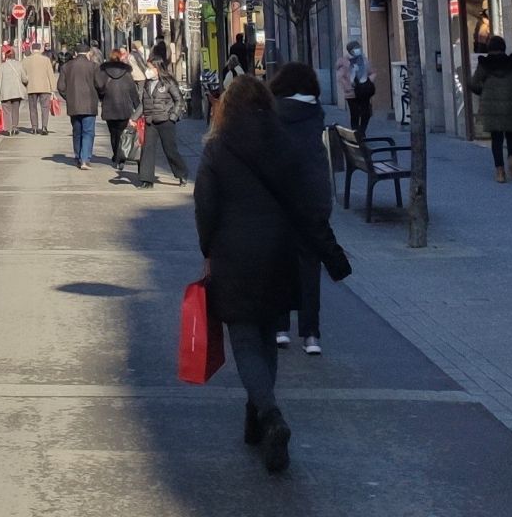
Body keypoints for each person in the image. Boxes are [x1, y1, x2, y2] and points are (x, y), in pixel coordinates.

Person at [194, 77, 352, 473]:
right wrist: (332, 256)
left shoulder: (217, 147)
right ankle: (257, 417)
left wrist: (207, 249)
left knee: (246, 341)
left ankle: (269, 415)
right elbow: (307, 205)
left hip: (234, 254)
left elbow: (205, 206)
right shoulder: (285, 145)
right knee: (266, 333)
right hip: (280, 254)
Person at [267, 63, 330, 354]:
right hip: (312, 198)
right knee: (310, 266)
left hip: (280, 198)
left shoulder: (271, 112)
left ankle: (280, 328)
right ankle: (311, 334)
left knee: (279, 265)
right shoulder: (316, 113)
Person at [468, 35, 512, 183]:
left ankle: (500, 172)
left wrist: (485, 91)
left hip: (492, 106)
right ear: (503, 47)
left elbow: (474, 84)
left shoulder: (485, 64)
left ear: (489, 48)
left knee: (496, 139)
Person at [138, 56, 189, 189]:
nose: (147, 70)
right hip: (151, 121)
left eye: (149, 68)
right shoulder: (147, 83)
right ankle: (146, 180)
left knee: (170, 150)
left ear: (157, 68)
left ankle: (181, 173)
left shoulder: (168, 82)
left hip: (165, 121)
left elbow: (179, 100)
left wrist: (173, 116)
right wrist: (134, 117)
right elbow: (143, 103)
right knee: (147, 149)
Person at [57, 43, 103, 169]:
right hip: (89, 104)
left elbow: (61, 87)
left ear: (75, 54)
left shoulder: (66, 67)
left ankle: (78, 157)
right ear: (89, 53)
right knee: (88, 132)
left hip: (74, 105)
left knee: (77, 132)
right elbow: (100, 84)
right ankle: (85, 159)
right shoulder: (93, 66)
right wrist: (100, 96)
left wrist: (69, 97)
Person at [99, 49, 141, 170]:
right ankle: (121, 157)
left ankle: (116, 156)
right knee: (123, 133)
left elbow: (100, 89)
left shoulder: (104, 72)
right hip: (124, 108)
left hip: (109, 107)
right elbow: (133, 92)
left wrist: (102, 97)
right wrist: (138, 107)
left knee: (113, 134)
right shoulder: (127, 73)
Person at [335, 40, 377, 135]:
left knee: (366, 113)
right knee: (355, 113)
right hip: (351, 92)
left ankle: (362, 132)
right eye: (355, 48)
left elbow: (372, 72)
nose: (358, 50)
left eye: (358, 48)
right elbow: (340, 77)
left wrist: (368, 82)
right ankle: (356, 133)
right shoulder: (344, 62)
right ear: (350, 50)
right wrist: (347, 86)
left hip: (364, 91)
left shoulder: (364, 60)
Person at [23, 43, 56, 135]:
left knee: (32, 108)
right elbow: (50, 74)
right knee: (45, 108)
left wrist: (24, 85)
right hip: (44, 87)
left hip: (31, 87)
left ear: (31, 49)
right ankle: (44, 127)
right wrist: (53, 89)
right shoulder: (46, 60)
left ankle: (34, 128)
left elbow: (22, 75)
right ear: (40, 49)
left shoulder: (26, 61)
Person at [0, 48, 29, 137]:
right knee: (15, 110)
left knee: (7, 111)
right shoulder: (19, 65)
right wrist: (27, 79)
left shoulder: (2, 66)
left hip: (6, 93)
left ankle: (8, 129)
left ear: (6, 56)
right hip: (17, 92)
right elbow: (24, 79)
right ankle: (15, 127)